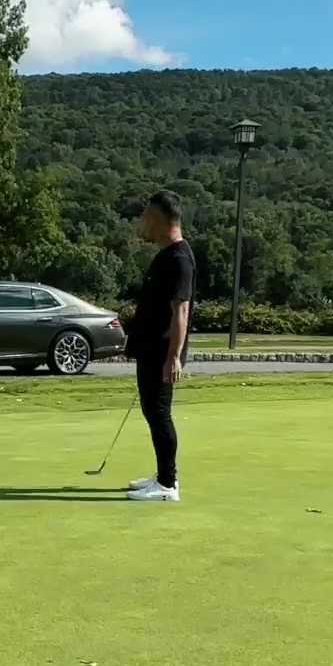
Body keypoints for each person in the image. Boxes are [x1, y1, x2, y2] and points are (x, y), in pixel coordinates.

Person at [124, 190, 196, 503]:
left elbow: (181, 310)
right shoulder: (165, 255)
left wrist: (174, 357)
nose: (143, 223)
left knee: (159, 414)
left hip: (162, 352)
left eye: (147, 217)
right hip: (150, 348)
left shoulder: (179, 259)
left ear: (161, 220)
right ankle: (161, 474)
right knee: (152, 412)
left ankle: (168, 484)